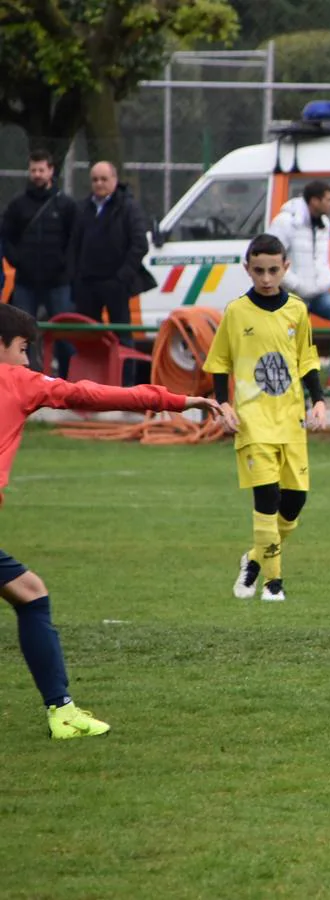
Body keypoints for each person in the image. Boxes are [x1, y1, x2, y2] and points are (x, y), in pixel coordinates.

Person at [0, 303, 220, 738]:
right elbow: (93, 394)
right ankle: (62, 712)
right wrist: (177, 399)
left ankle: (62, 711)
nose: (27, 360)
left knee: (29, 592)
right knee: (32, 595)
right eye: (23, 348)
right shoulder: (19, 381)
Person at [205, 234, 328, 605]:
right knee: (268, 497)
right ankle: (274, 584)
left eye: (273, 270)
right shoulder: (236, 311)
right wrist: (223, 405)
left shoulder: (298, 310)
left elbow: (306, 359)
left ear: (285, 268)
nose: (266, 277)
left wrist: (318, 400)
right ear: (247, 269)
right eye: (258, 270)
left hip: (291, 420)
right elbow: (219, 363)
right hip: (252, 421)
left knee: (294, 504)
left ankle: (254, 559)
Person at [267, 180, 330, 390]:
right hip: (290, 292)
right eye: (328, 199)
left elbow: (321, 259)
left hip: (316, 292)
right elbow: (271, 257)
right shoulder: (285, 222)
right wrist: (295, 283)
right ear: (314, 200)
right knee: (294, 337)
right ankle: (292, 382)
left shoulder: (324, 223)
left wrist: (324, 280)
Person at [1, 149, 77, 374]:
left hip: (58, 282)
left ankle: (67, 380)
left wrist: (65, 266)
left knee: (65, 335)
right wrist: (17, 262)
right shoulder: (17, 205)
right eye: (33, 170)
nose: (37, 174)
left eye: (41, 170)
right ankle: (27, 377)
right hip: (26, 281)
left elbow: (74, 239)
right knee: (21, 333)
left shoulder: (65, 205)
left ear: (51, 171)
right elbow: (7, 237)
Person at [69, 161, 157, 351]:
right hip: (87, 283)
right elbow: (73, 244)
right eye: (95, 180)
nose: (99, 184)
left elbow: (139, 244)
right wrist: (76, 276)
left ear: (114, 180)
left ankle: (124, 379)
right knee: (88, 336)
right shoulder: (83, 208)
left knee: (122, 336)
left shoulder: (128, 207)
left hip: (116, 283)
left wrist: (122, 276)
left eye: (104, 179)